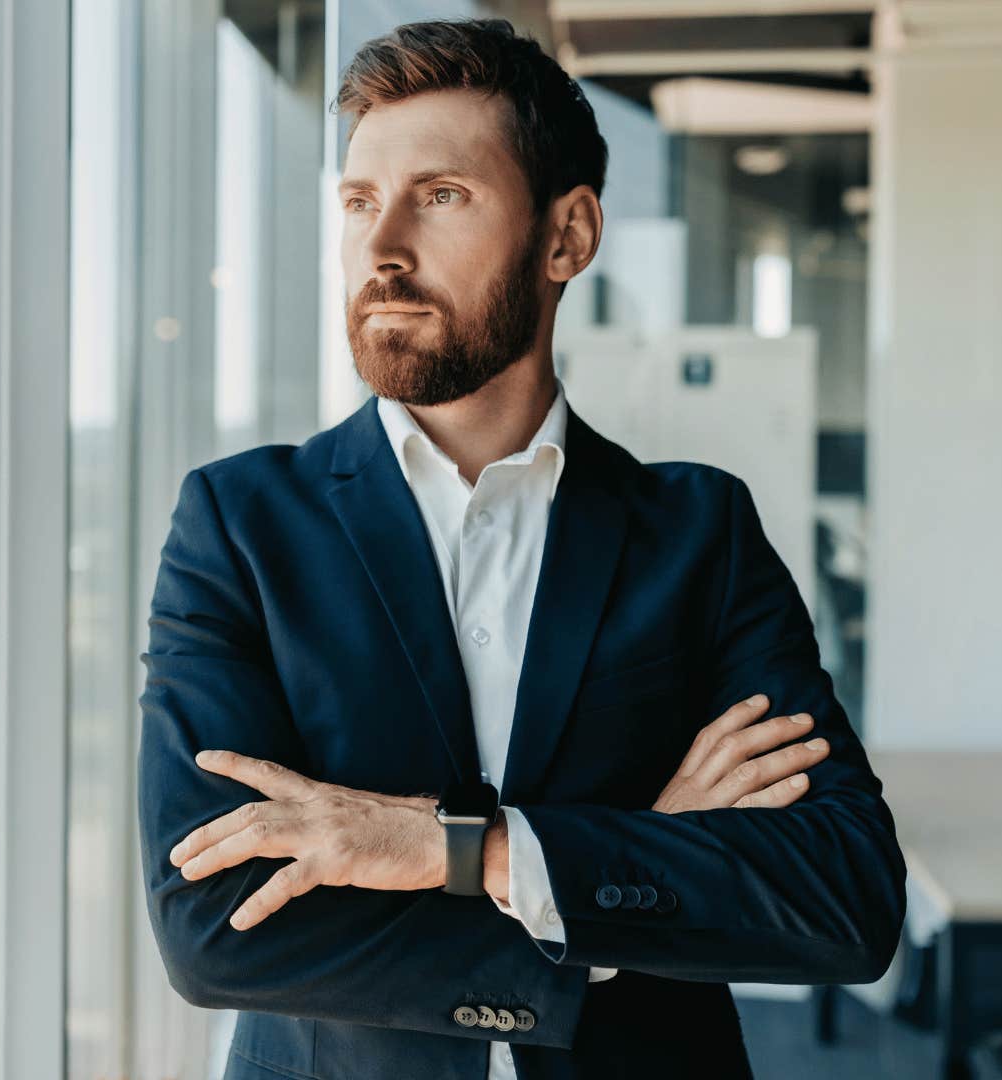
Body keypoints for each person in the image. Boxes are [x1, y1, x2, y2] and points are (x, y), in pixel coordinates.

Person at [138, 18, 905, 1079]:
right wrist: (608, 878)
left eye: (440, 195)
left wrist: (453, 850)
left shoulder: (696, 534)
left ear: (567, 237)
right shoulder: (240, 527)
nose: (382, 246)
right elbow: (214, 926)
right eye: (359, 202)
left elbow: (842, 896)